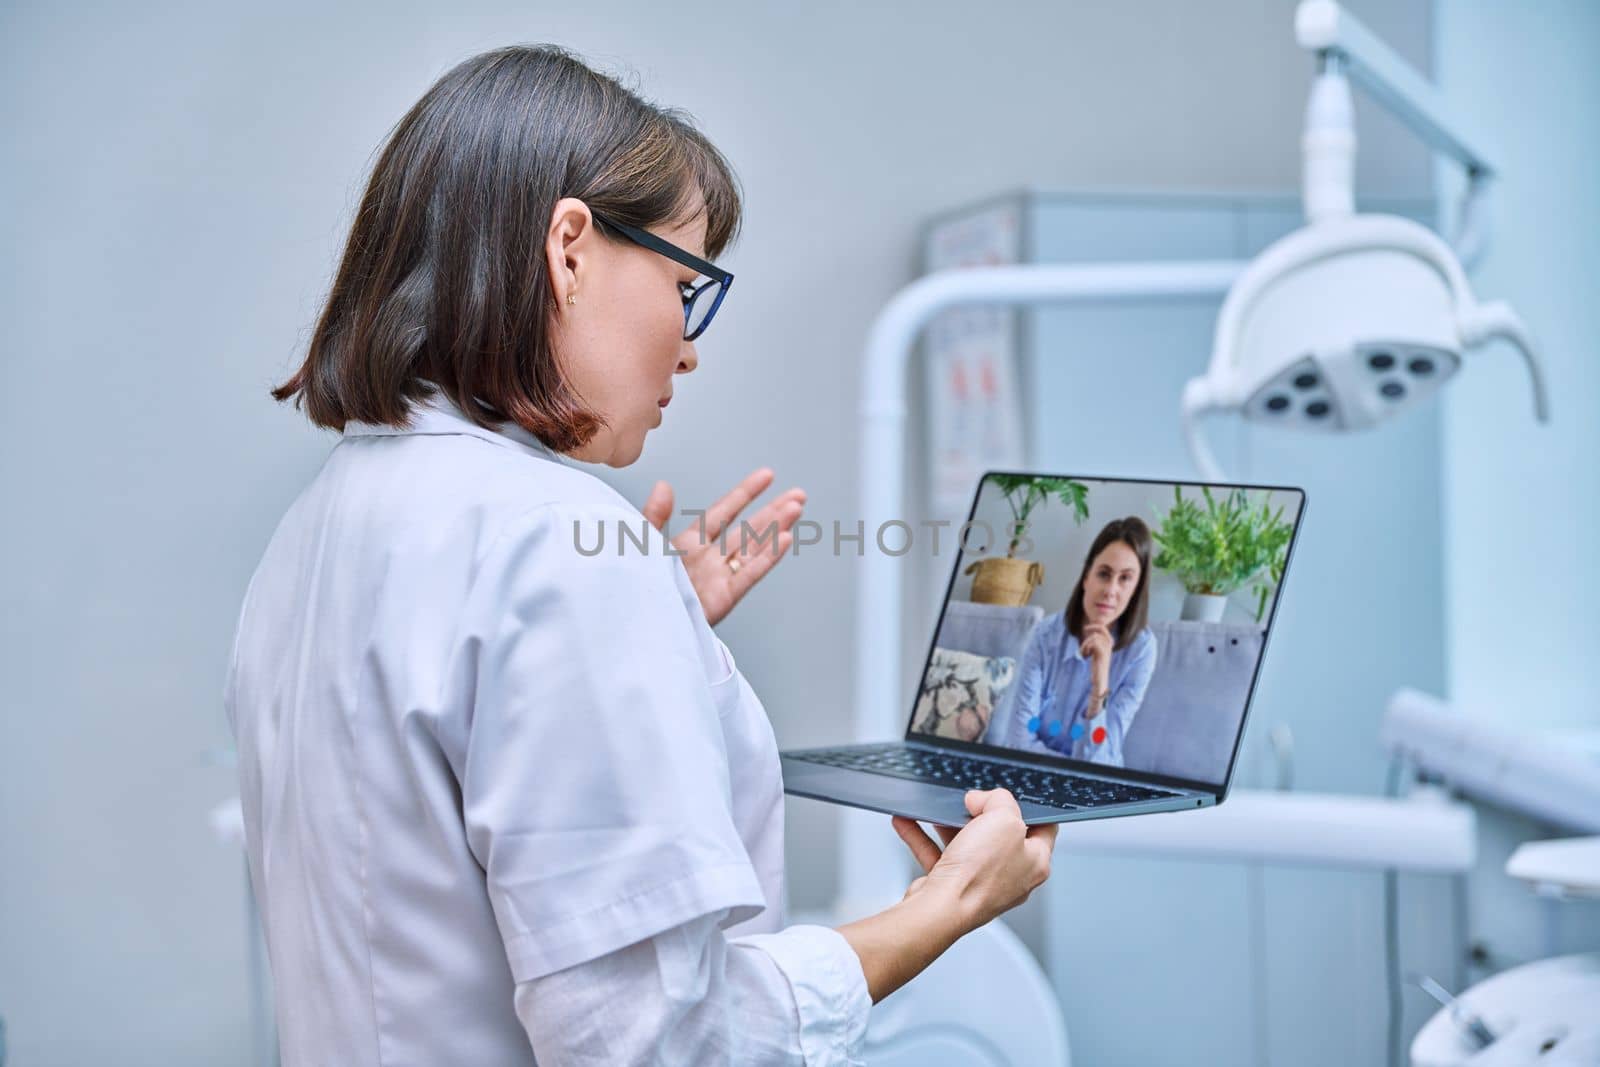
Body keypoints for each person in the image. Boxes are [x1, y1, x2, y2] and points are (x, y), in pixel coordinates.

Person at [224, 44, 1057, 1065]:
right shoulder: (561, 549)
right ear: (569, 246)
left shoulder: (320, 524)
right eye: (684, 283)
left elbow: (422, 812)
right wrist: (947, 904)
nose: (690, 343)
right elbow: (659, 1042)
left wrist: (655, 629)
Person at [987, 517, 1158, 766]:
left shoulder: (1142, 650)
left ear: (1136, 589)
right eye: (1104, 574)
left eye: (1125, 579)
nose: (1111, 590)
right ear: (1087, 576)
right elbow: (1018, 742)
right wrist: (1071, 768)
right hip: (1028, 775)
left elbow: (1100, 764)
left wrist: (1100, 684)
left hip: (1094, 789)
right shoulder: (1045, 635)